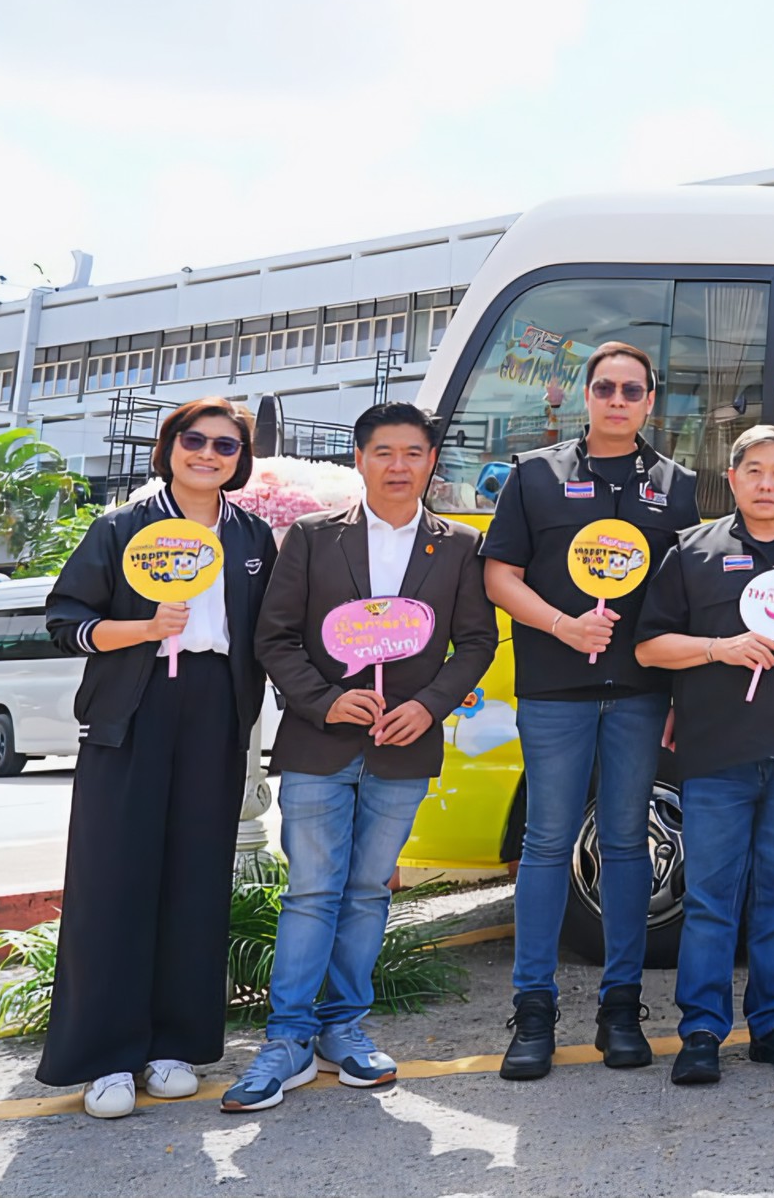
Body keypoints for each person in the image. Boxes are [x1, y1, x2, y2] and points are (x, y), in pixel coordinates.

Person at [226, 402, 501, 1110]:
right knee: (312, 891)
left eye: (413, 453)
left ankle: (343, 1028)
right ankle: (286, 1039)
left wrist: (428, 705)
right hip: (319, 743)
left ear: (431, 461)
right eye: (384, 452)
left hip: (403, 748)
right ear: (359, 459)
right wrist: (325, 701)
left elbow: (476, 641)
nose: (398, 466)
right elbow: (274, 637)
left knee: (370, 889)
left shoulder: (459, 546)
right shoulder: (314, 537)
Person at [39, 399, 276, 1120]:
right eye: (194, 440)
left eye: (226, 445)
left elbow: (271, 631)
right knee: (113, 879)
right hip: (132, 710)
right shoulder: (121, 527)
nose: (209, 454)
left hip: (216, 710)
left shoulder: (252, 535)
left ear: (241, 459)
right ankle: (105, 1056)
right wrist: (142, 627)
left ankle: (176, 1044)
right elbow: (65, 622)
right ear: (169, 446)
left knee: (197, 877)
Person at [480, 339, 701, 1079]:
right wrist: (562, 626)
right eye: (604, 387)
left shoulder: (677, 486)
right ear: (586, 395)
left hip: (641, 692)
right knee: (546, 844)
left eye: (631, 390)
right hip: (554, 689)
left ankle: (621, 1009)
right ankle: (532, 1012)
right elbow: (500, 576)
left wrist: (682, 696)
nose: (617, 400)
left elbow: (687, 598)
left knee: (628, 844)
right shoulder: (535, 474)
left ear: (650, 401)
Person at [635, 425, 774, 1087]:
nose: (766, 483)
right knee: (710, 901)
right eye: (753, 470)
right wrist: (719, 649)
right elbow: (649, 647)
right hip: (717, 754)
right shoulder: (691, 552)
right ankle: (702, 1031)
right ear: (731, 478)